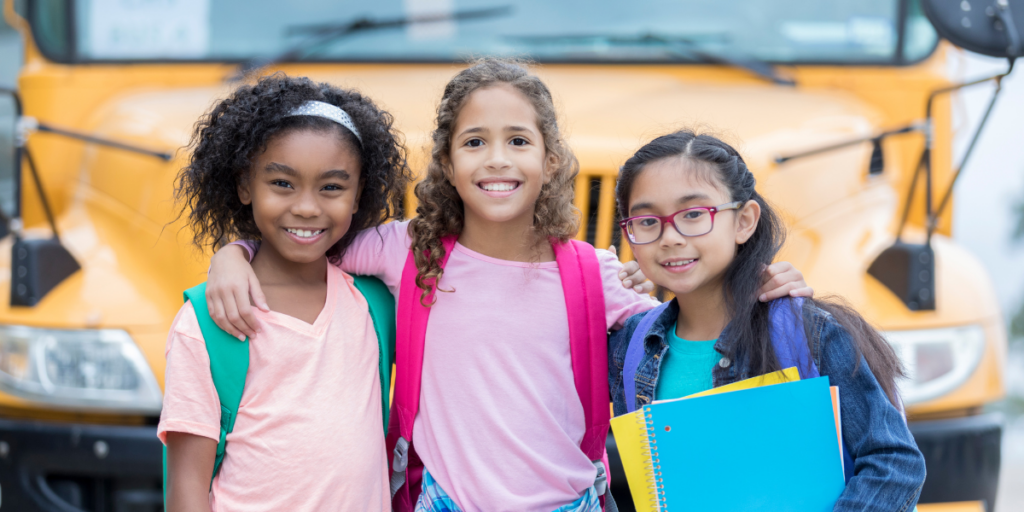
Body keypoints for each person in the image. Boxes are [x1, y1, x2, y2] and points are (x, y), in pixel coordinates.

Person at [206, 60, 810, 512]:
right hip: (443, 499)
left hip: (568, 501)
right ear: (445, 161)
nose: (497, 159)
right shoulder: (406, 250)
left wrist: (759, 281)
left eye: (518, 141)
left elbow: (687, 321)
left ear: (550, 160)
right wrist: (235, 253)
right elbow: (307, 239)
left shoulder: (591, 271)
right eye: (475, 143)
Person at [609, 130, 926, 511]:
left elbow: (894, 462)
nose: (670, 237)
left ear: (744, 221)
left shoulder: (808, 333)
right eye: (646, 221)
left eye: (694, 215)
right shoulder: (628, 346)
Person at [159, 74, 410, 512]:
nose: (307, 207)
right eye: (282, 184)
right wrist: (232, 255)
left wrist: (233, 252)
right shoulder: (208, 322)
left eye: (332, 187)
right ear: (243, 186)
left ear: (358, 196)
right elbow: (186, 486)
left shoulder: (375, 303)